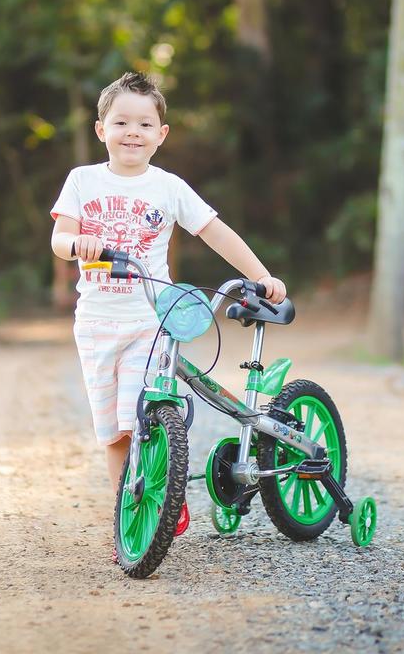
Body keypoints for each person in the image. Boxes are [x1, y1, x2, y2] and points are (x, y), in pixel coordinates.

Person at [49, 72, 287, 556]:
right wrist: (78, 242)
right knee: (113, 431)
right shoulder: (82, 180)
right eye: (121, 122)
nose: (132, 132)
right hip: (94, 324)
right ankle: (130, 513)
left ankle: (164, 489)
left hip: (148, 322)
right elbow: (59, 239)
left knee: (141, 415)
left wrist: (261, 275)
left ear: (161, 134)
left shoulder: (168, 187)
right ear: (101, 129)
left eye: (144, 124)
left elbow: (215, 231)